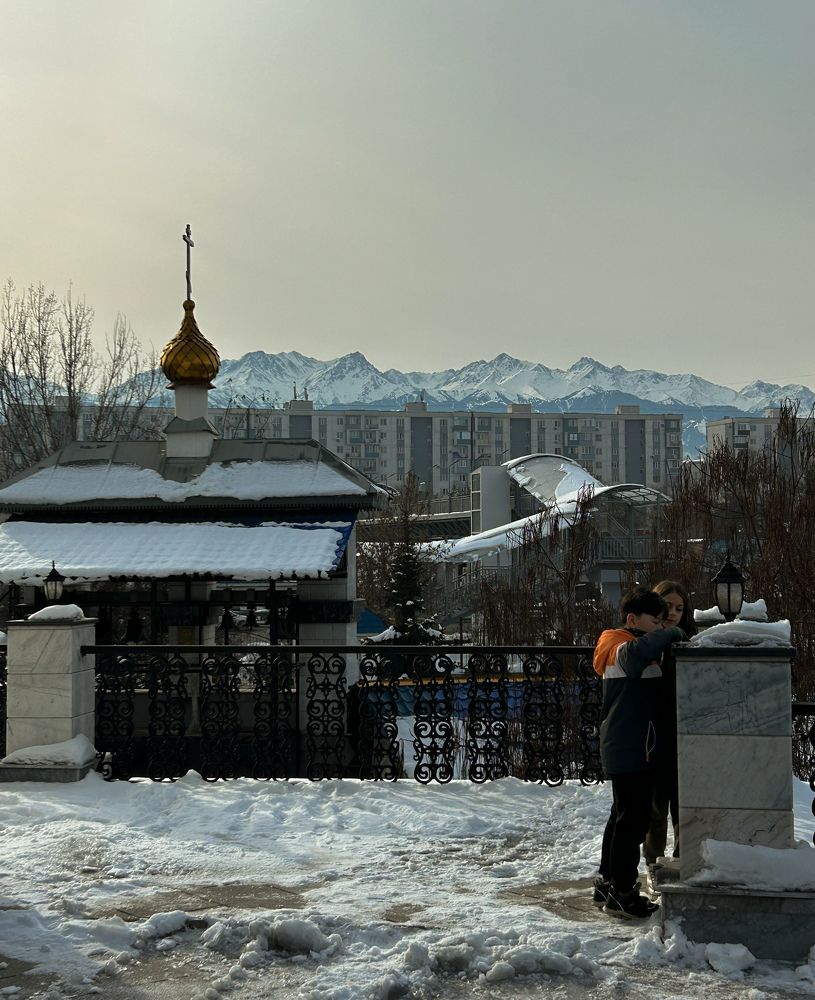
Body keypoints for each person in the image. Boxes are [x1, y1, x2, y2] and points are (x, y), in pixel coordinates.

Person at [592, 587, 684, 919]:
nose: (661, 626)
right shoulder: (618, 644)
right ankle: (623, 892)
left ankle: (609, 883)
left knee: (624, 818)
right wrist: (674, 631)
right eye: (655, 620)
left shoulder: (631, 645)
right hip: (631, 748)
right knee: (632, 822)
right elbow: (634, 658)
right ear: (632, 620)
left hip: (633, 746)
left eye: (666, 620)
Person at [643, 579, 697, 869]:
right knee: (654, 805)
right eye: (667, 606)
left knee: (681, 801)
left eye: (679, 608)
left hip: (681, 732)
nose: (673, 613)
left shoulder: (687, 642)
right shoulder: (645, 641)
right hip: (653, 731)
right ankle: (652, 862)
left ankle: (680, 859)